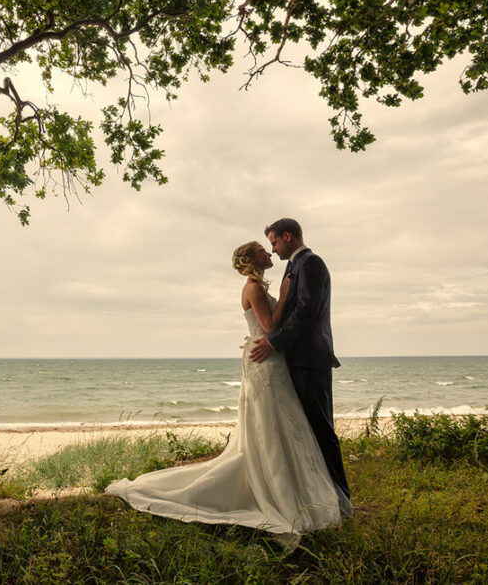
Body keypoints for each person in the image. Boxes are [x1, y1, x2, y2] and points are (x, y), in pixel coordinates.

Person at [105, 241, 351, 536]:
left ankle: (296, 485)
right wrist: (285, 296)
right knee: (272, 427)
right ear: (251, 259)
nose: (269, 252)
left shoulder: (258, 286)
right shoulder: (253, 288)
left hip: (273, 362)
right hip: (266, 364)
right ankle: (277, 491)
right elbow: (270, 328)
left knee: (283, 426)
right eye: (263, 249)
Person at [249, 218, 350, 498]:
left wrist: (273, 343)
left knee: (321, 430)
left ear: (288, 236)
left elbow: (307, 310)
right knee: (306, 430)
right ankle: (320, 493)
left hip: (310, 359)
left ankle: (341, 497)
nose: (274, 248)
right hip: (296, 359)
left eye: (275, 242)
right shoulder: (294, 266)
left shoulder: (310, 263)